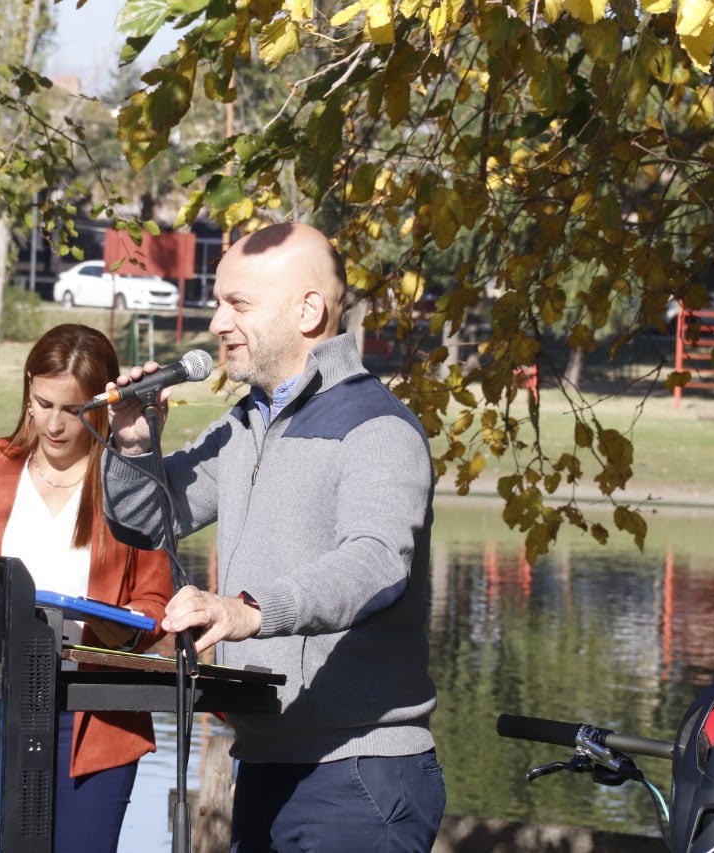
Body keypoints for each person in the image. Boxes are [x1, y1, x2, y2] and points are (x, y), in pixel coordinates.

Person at [100, 222, 445, 851]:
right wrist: (132, 441)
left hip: (358, 773)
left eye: (239, 304)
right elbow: (152, 518)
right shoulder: (245, 424)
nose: (218, 323)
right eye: (218, 302)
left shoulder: (377, 428)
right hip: (263, 761)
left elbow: (375, 564)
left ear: (308, 310)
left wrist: (247, 611)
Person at [0, 322, 173, 852]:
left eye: (73, 409)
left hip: (93, 718)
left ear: (106, 404)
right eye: (43, 403)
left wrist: (124, 626)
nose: (55, 424)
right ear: (27, 390)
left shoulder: (131, 481)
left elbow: (156, 600)